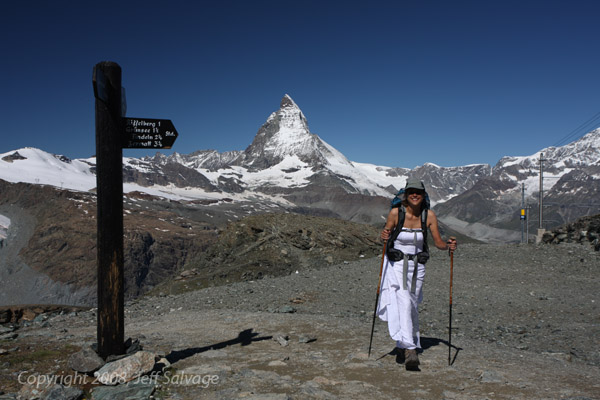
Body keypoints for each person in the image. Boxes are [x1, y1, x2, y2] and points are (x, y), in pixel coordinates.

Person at [378, 179, 457, 370]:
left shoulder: (428, 216)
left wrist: (448, 246)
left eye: (418, 192)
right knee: (404, 301)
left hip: (418, 266)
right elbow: (385, 234)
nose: (415, 195)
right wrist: (383, 236)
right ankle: (411, 350)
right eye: (411, 191)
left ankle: (400, 344)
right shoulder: (396, 213)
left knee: (412, 304)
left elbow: (437, 242)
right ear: (406, 194)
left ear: (423, 195)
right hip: (396, 264)